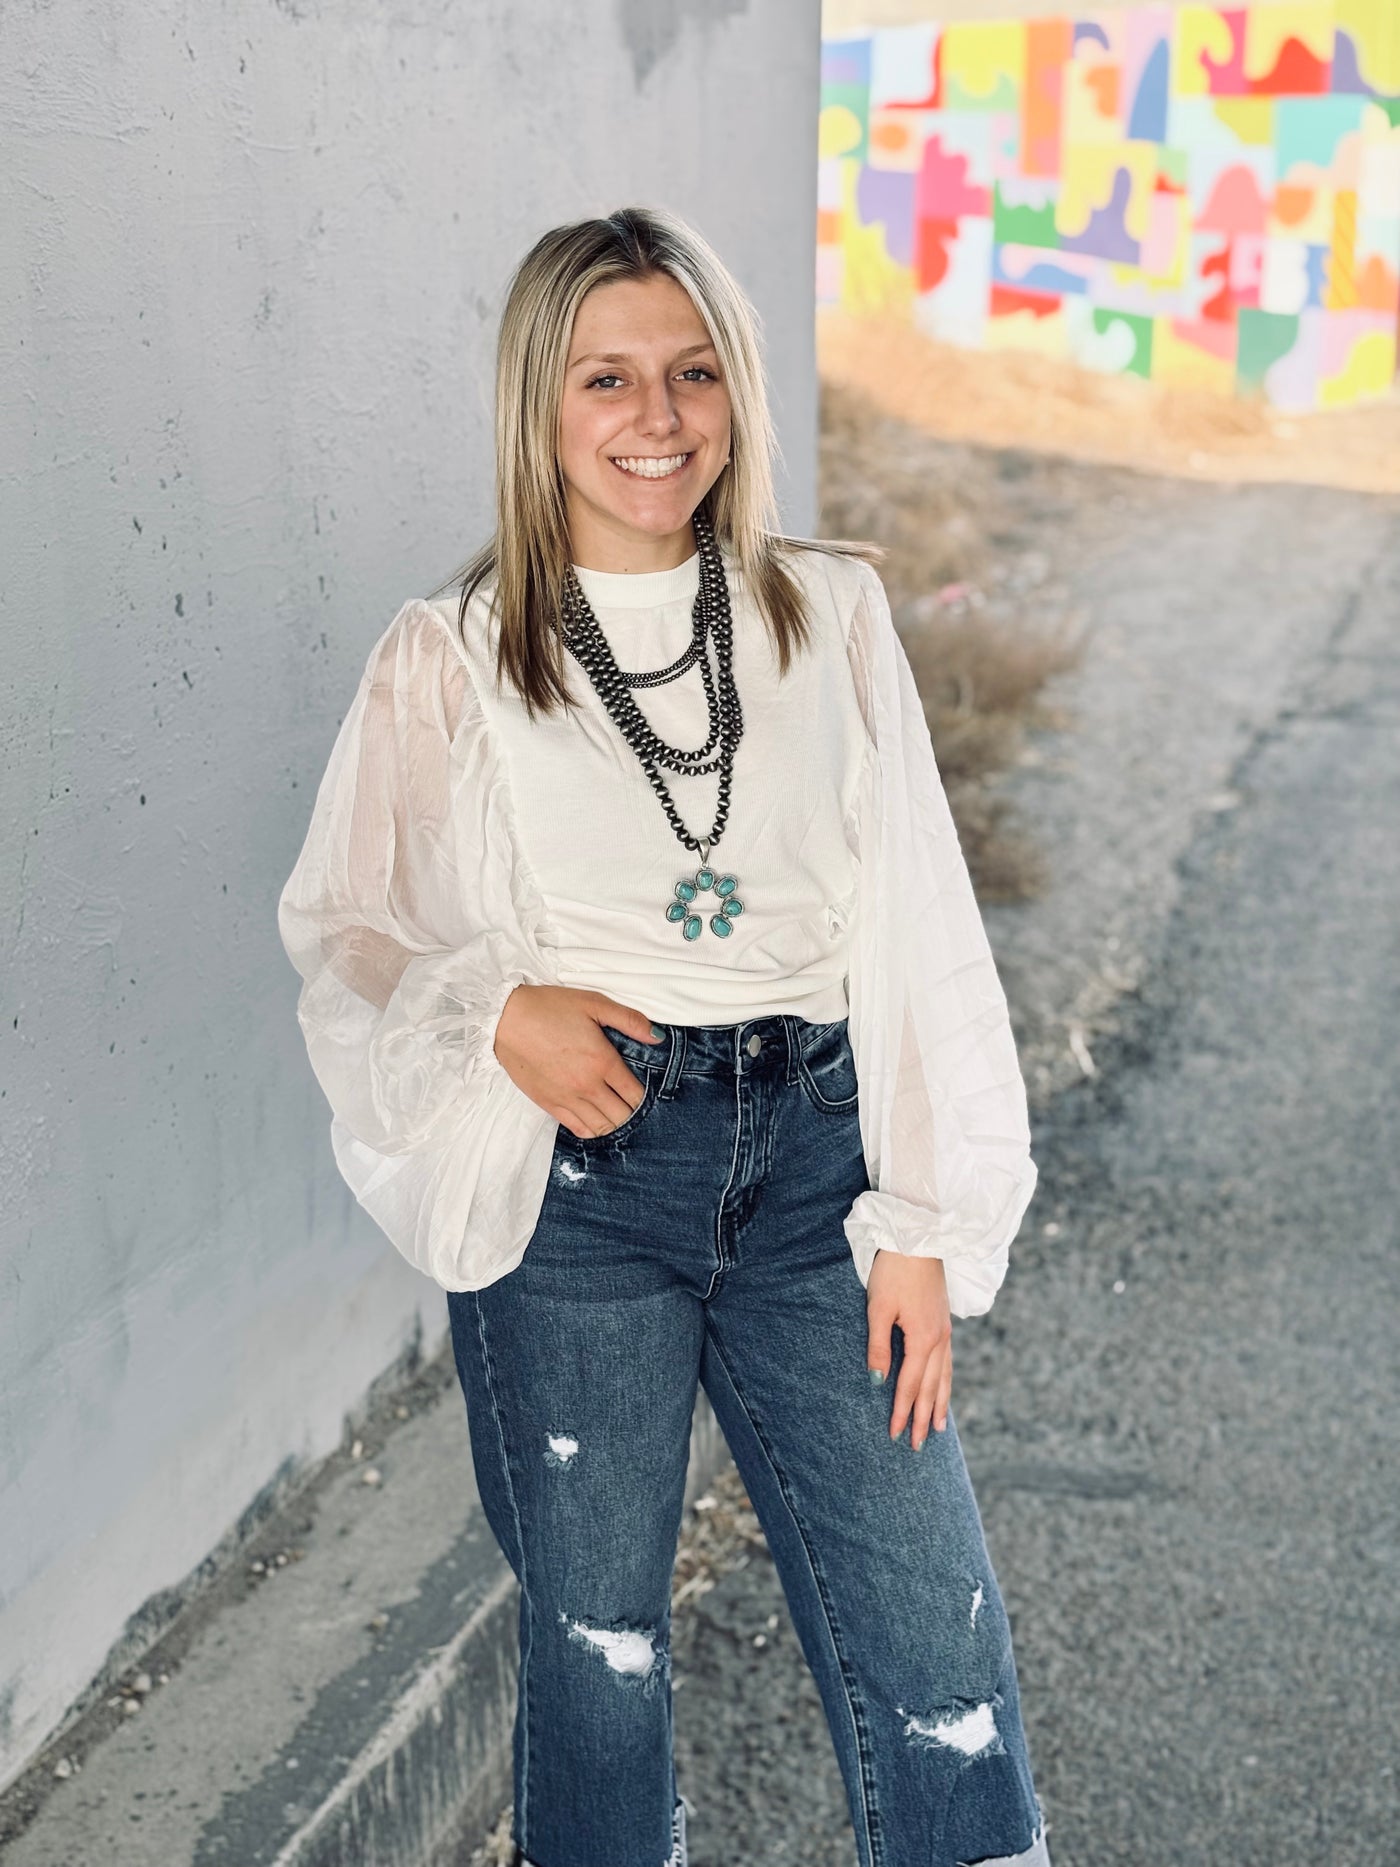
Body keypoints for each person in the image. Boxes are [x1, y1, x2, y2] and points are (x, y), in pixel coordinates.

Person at [278, 205, 1050, 1867]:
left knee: (935, 1636)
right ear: (535, 409)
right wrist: (497, 1010)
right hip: (586, 1194)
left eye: (694, 371)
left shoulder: (827, 619)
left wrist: (923, 1218)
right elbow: (346, 934)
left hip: (819, 1178)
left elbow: (921, 924)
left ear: (739, 392)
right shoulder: (455, 658)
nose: (658, 417)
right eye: (606, 377)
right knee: (602, 1647)